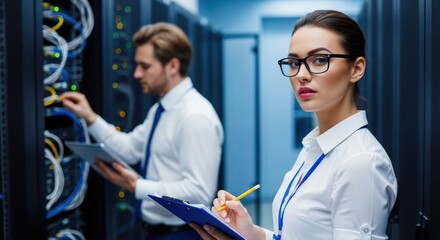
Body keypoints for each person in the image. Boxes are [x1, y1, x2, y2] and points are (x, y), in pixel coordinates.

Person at [190, 10, 397, 240]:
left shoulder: (360, 162)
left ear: (356, 69)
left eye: (320, 60)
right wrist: (250, 233)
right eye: (294, 62)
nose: (301, 74)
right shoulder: (315, 146)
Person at [61, 22, 223, 240]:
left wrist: (136, 185)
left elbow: (199, 193)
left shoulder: (194, 116)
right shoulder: (161, 109)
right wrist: (90, 117)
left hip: (181, 234)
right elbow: (130, 149)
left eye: (145, 66)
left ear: (172, 66)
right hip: (155, 231)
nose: (137, 74)